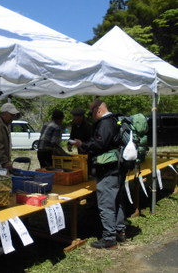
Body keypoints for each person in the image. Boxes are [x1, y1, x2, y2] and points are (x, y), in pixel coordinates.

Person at [71, 99, 126, 249]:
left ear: (98, 109)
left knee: (106, 203)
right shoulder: (114, 121)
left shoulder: (106, 123)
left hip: (108, 170)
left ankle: (109, 238)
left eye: (90, 112)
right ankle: (120, 231)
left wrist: (81, 144)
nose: (90, 115)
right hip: (117, 168)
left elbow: (99, 144)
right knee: (116, 200)